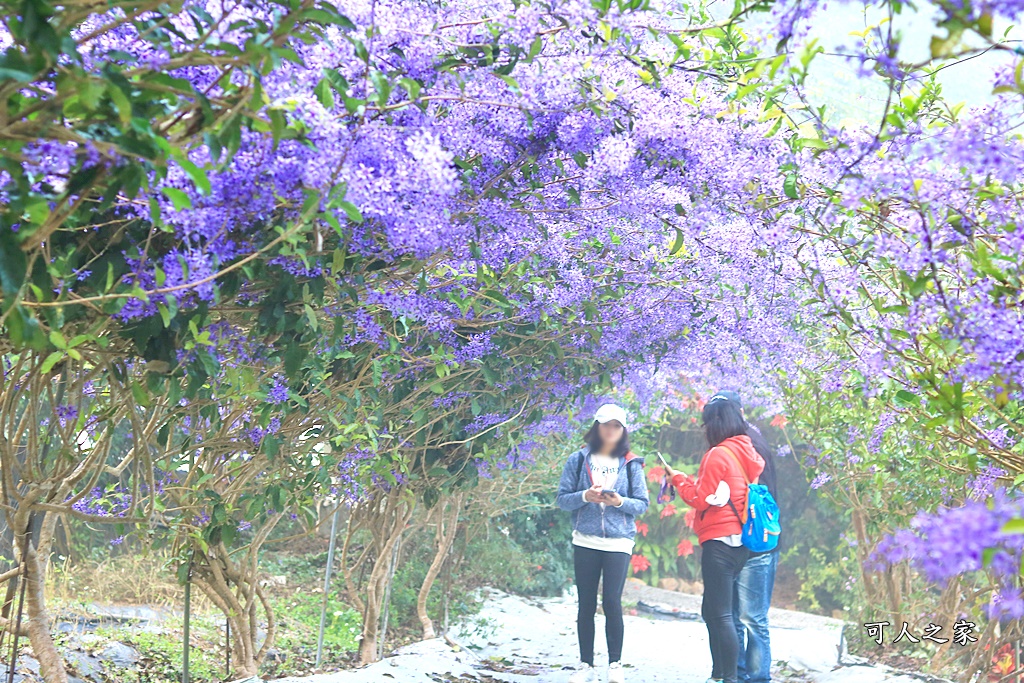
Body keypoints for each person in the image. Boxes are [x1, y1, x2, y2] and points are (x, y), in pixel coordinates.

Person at [664, 396, 764, 683]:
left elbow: (701, 498)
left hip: (719, 542)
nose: (705, 429)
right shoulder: (747, 453)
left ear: (715, 423)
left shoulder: (718, 454)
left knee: (720, 614)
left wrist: (679, 481)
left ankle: (728, 677)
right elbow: (720, 493)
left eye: (707, 423)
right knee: (712, 610)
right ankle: (719, 674)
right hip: (740, 543)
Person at [556, 403, 649, 683]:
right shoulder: (578, 459)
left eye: (617, 426)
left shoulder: (632, 462)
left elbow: (642, 504)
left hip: (619, 542)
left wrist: (618, 501)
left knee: (611, 601)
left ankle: (615, 664)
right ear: (597, 425)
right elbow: (562, 499)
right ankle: (585, 664)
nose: (611, 430)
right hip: (585, 539)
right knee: (586, 603)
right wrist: (586, 496)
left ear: (623, 430)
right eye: (606, 424)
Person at [711, 391, 780, 683]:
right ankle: (735, 675)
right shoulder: (742, 442)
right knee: (738, 616)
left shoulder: (748, 445)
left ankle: (755, 677)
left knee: (751, 618)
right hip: (739, 543)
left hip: (753, 545)